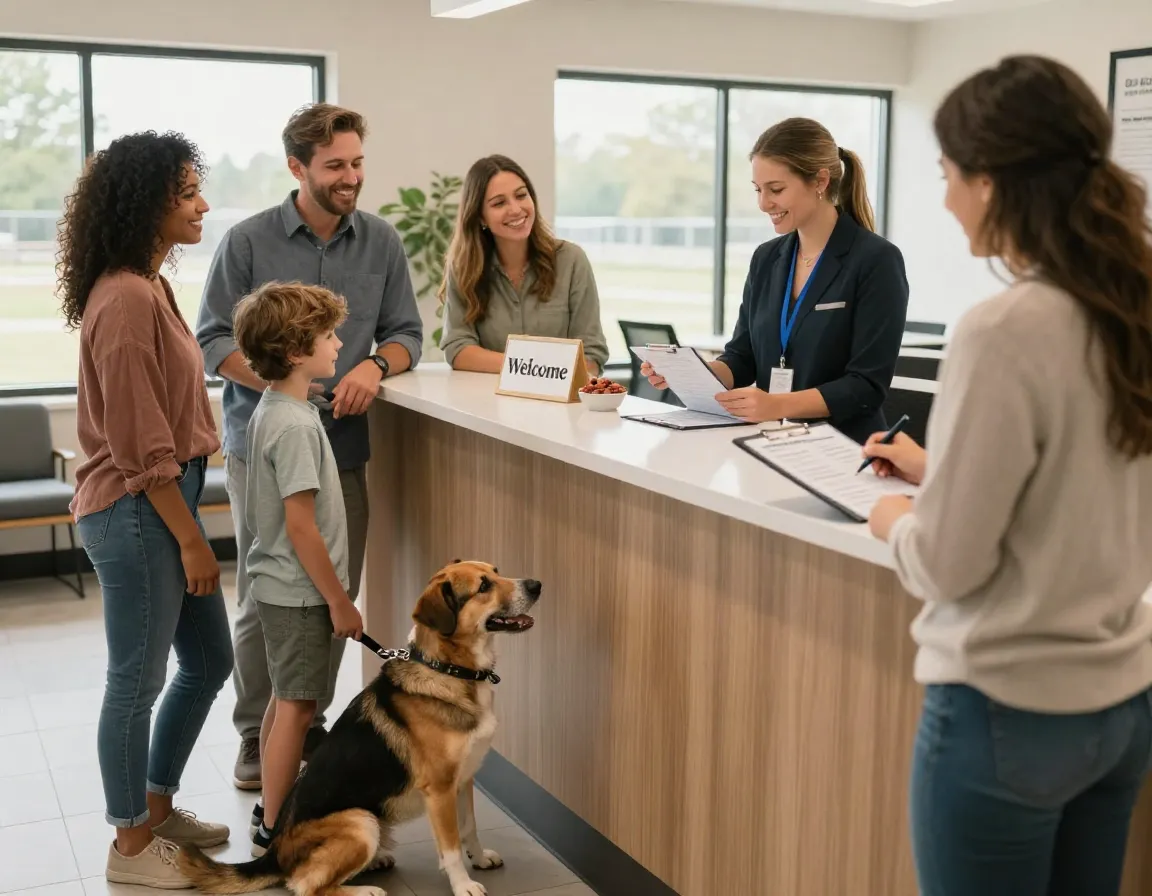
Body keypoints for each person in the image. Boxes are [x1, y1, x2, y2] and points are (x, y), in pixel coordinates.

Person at [864, 55, 1152, 896]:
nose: (947, 200)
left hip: (1006, 712)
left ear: (989, 182)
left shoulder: (1004, 327)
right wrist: (942, 469)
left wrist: (894, 519)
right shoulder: (1132, 309)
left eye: (948, 176)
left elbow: (949, 563)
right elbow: (1090, 484)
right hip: (1123, 705)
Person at [196, 103, 422, 791]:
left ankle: (306, 719)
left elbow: (407, 333)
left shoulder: (380, 242)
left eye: (356, 163)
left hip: (344, 447)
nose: (351, 177)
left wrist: (372, 367)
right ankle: (254, 734)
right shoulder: (246, 242)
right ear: (297, 168)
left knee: (332, 590)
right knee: (267, 594)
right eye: (335, 166)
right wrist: (281, 383)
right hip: (259, 447)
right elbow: (212, 341)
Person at [61, 131, 233, 888]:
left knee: (208, 660)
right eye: (187, 191)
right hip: (140, 510)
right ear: (146, 202)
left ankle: (156, 807)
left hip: (165, 502)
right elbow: (137, 444)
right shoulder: (127, 297)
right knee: (137, 678)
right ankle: (130, 848)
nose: (202, 204)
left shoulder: (148, 284)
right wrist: (193, 540)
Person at [641, 118, 909, 442]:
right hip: (771, 444)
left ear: (820, 181)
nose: (763, 203)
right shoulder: (766, 259)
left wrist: (776, 404)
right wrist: (692, 374)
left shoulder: (875, 260)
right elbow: (742, 359)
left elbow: (866, 386)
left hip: (845, 449)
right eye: (758, 189)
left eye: (776, 189)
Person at [230, 281, 364, 857]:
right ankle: (276, 830)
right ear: (293, 351)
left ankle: (269, 807)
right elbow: (302, 526)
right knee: (298, 709)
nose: (339, 343)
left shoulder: (278, 409)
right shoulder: (297, 425)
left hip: (280, 587)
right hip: (304, 593)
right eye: (328, 335)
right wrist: (339, 599)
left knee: (284, 703)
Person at [439, 154, 610, 376]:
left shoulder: (571, 260)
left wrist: (530, 369)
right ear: (480, 217)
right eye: (499, 203)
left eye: (521, 195)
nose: (516, 209)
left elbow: (592, 355)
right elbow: (458, 349)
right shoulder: (464, 269)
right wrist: (531, 367)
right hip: (487, 404)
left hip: (562, 405)